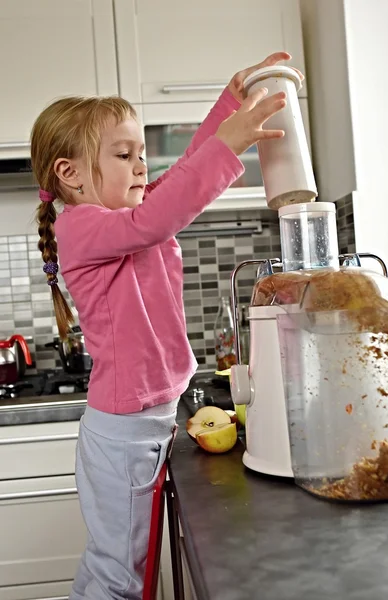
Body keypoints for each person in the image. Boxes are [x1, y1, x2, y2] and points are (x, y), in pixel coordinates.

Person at [30, 51, 299, 600]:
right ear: (71, 173)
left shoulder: (124, 214)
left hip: (141, 425)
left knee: (130, 570)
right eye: (125, 154)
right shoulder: (81, 226)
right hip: (125, 434)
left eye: (141, 154)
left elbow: (179, 180)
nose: (141, 166)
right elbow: (161, 213)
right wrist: (231, 140)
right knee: (119, 575)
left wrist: (232, 103)